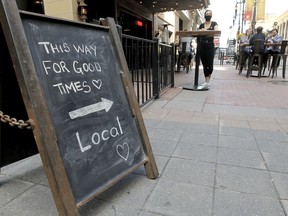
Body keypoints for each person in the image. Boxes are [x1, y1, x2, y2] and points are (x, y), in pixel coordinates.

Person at [198, 9, 218, 87]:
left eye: (210, 14)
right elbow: (199, 33)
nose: (208, 15)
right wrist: (203, 31)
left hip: (210, 45)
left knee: (210, 64)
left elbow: (216, 32)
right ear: (204, 15)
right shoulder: (201, 25)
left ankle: (209, 77)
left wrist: (205, 31)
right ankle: (206, 80)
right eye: (207, 14)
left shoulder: (214, 24)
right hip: (202, 45)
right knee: (204, 63)